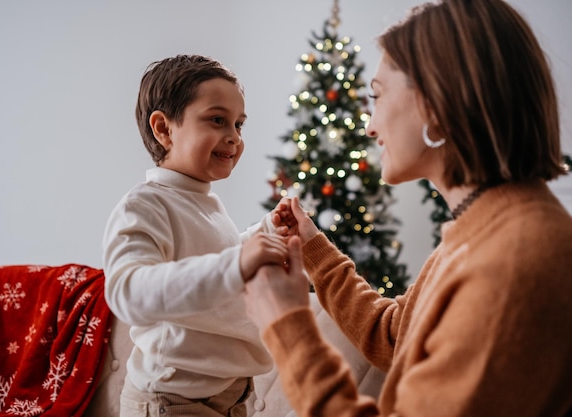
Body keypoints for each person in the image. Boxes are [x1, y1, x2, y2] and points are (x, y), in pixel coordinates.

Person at [244, 1, 572, 416]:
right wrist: (313, 249)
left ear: (436, 103)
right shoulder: (485, 228)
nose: (369, 125)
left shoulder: (511, 264)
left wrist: (286, 326)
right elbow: (394, 338)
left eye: (377, 96)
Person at [102, 54, 292, 417]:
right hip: (171, 402)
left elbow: (210, 262)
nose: (234, 137)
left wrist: (263, 233)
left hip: (230, 397)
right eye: (218, 120)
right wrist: (239, 262)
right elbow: (127, 290)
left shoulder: (204, 202)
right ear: (164, 129)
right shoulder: (145, 205)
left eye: (239, 124)